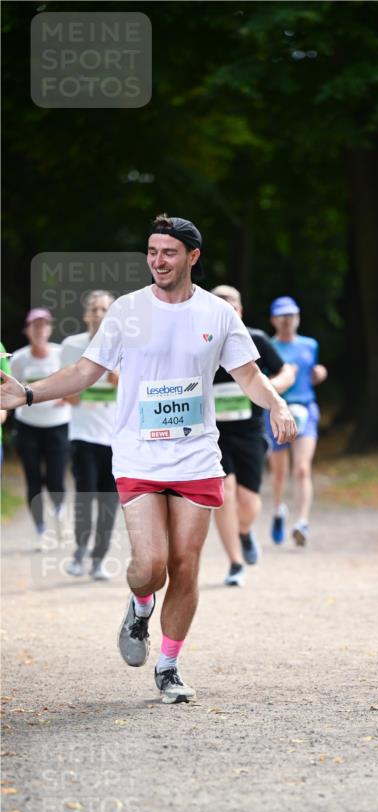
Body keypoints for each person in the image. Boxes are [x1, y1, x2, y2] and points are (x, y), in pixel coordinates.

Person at [0, 215, 296, 704]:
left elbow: (249, 376)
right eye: (153, 251)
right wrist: (28, 394)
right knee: (151, 565)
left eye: (170, 253)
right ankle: (139, 607)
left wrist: (278, 404)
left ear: (192, 258)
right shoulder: (127, 310)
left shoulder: (218, 314)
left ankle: (169, 666)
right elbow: (85, 370)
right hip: (139, 454)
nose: (159, 260)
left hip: (197, 455)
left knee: (186, 565)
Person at [210, 284, 295, 586]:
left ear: (240, 310)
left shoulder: (255, 339)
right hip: (214, 435)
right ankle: (234, 563)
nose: (225, 306)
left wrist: (270, 392)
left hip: (250, 433)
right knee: (223, 493)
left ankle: (244, 533)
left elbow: (287, 372)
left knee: (249, 504)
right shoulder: (201, 344)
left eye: (230, 302)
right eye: (218, 302)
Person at [60, 290, 120, 580]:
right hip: (82, 433)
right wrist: (81, 384)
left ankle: (99, 559)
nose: (99, 314)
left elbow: (133, 392)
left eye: (105, 309)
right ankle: (79, 553)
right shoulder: (72, 347)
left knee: (109, 501)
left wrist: (118, 380)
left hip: (115, 437)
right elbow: (66, 396)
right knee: (85, 496)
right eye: (95, 309)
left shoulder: (124, 345)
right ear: (86, 314)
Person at [266, 296, 327, 547]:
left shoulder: (310, 345)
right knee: (280, 471)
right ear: (273, 319)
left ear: (298, 317)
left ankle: (302, 522)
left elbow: (311, 374)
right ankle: (280, 510)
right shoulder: (266, 346)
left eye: (292, 315)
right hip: (278, 410)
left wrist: (319, 374)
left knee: (302, 469)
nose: (288, 320)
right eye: (282, 315)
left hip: (306, 409)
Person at [9, 309, 71, 547]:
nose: (39, 330)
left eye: (44, 325)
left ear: (50, 329)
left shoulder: (61, 354)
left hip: (58, 426)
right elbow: (10, 393)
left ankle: (59, 518)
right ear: (27, 331)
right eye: (35, 326)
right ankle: (41, 531)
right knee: (34, 481)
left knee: (56, 480)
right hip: (28, 428)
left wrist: (67, 395)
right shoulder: (20, 359)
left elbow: (76, 384)